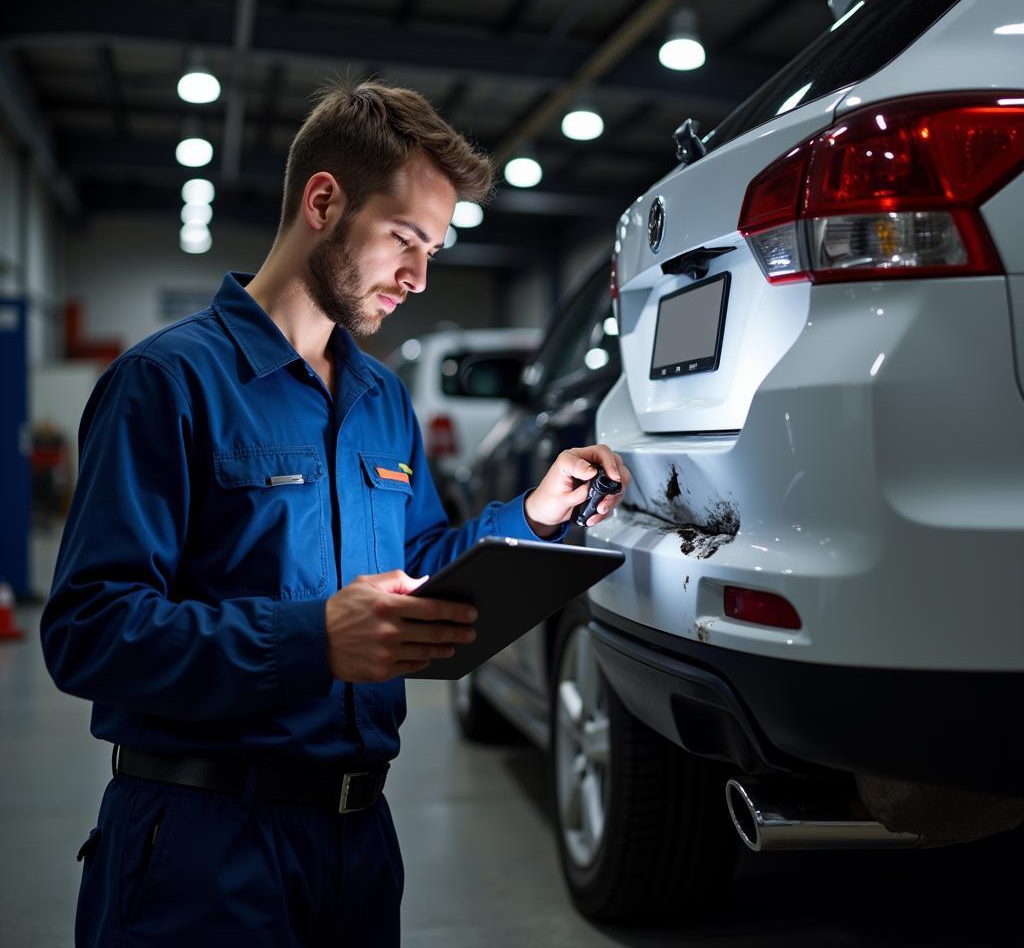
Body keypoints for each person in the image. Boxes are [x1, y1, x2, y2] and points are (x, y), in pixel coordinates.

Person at [41, 79, 629, 948]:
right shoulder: (167, 383)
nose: (420, 278)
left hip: (357, 846)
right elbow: (89, 629)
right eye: (404, 239)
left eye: (433, 249)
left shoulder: (382, 399)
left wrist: (533, 517)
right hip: (202, 849)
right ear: (323, 200)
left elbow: (423, 558)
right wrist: (313, 638)